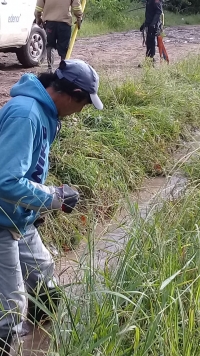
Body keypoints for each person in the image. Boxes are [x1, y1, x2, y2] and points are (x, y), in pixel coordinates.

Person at [0, 59, 103, 355]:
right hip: (2, 220)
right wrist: (53, 197)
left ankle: (38, 345)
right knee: (11, 312)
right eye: (83, 104)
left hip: (19, 218)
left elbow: (28, 169)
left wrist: (36, 206)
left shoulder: (47, 114)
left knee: (46, 286)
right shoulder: (27, 115)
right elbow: (6, 181)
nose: (81, 111)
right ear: (71, 94)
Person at [34, 0, 83, 72]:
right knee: (64, 47)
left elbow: (39, 7)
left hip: (50, 23)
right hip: (64, 24)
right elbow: (76, 6)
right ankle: (64, 70)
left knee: (50, 45)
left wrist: (38, 17)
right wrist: (79, 17)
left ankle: (50, 69)